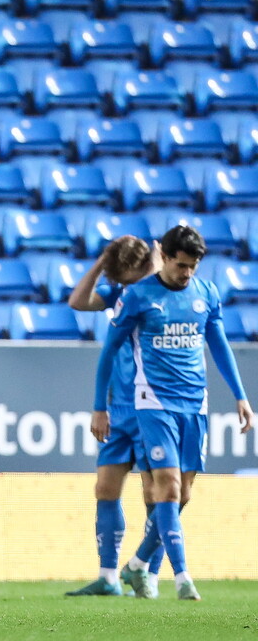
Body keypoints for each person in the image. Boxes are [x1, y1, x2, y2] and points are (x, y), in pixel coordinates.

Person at [94, 225, 255, 601]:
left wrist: (241, 396)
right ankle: (183, 578)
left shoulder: (206, 293)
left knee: (182, 495)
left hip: (195, 404)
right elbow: (109, 351)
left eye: (193, 266)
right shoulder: (138, 296)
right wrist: (100, 407)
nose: (187, 273)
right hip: (153, 403)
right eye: (181, 265)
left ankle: (136, 564)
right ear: (163, 257)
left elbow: (219, 344)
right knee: (166, 486)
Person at [65, 236, 163, 598]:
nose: (121, 282)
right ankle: (108, 577)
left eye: (125, 275)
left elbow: (155, 278)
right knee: (106, 488)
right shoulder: (120, 293)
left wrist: (154, 260)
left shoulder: (159, 292)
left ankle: (148, 575)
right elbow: (77, 301)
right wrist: (102, 261)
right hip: (119, 407)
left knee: (156, 493)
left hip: (152, 404)